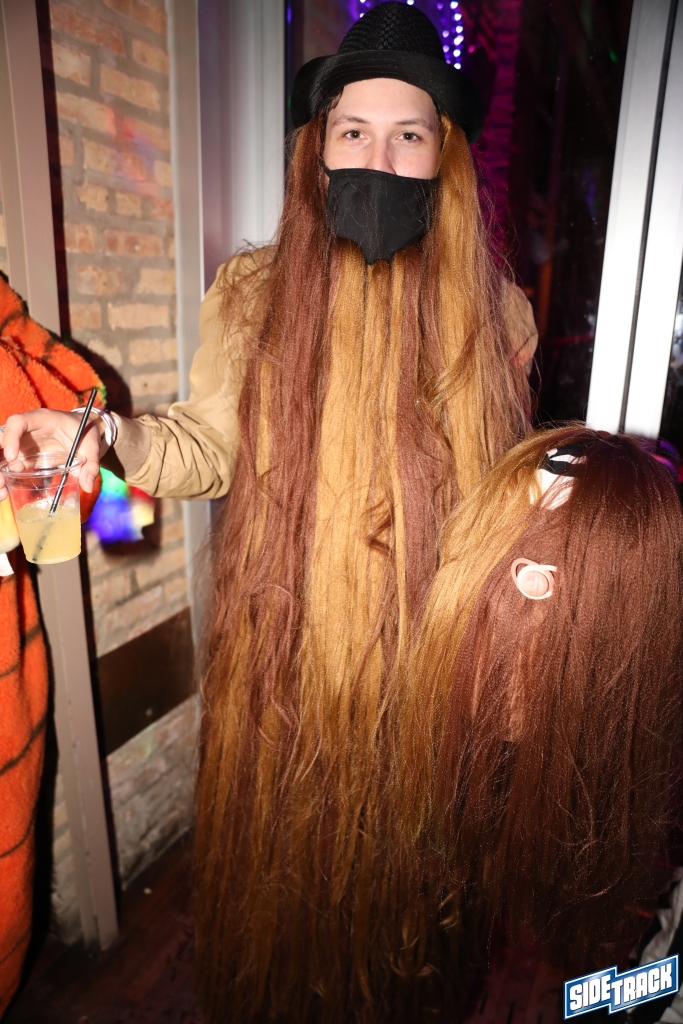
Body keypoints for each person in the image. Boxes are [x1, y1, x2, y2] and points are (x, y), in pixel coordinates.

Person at [0, 4, 539, 1020]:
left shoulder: (495, 311)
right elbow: (207, 451)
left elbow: (500, 499)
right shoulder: (251, 291)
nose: (377, 155)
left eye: (407, 134)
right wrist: (106, 436)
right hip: (283, 661)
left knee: (408, 913)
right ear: (316, 149)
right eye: (353, 130)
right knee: (289, 906)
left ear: (445, 156)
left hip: (425, 675)